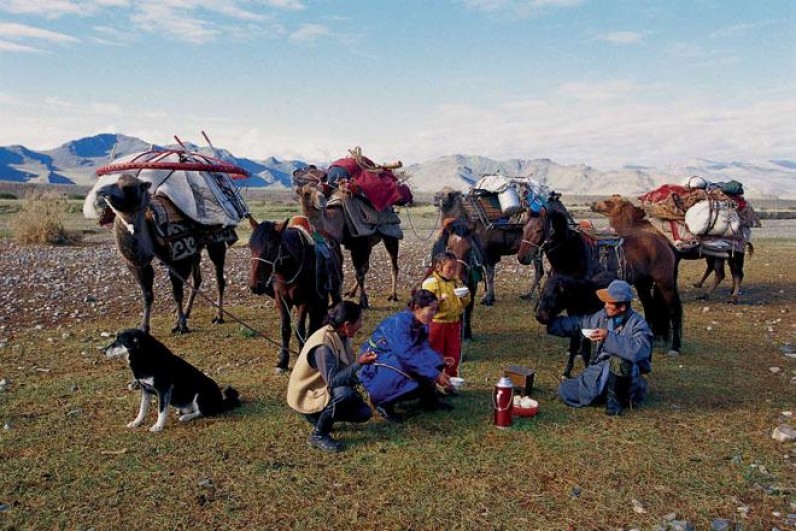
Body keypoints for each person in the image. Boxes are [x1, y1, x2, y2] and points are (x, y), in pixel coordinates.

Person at [546, 280, 652, 416]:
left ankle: (615, 403)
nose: (605, 306)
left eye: (610, 303)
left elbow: (640, 350)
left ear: (622, 307)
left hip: (627, 378)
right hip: (600, 370)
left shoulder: (638, 324)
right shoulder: (603, 317)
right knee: (565, 389)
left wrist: (609, 337)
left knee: (619, 361)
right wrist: (552, 323)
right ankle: (600, 393)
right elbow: (581, 324)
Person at [286, 301, 377, 453]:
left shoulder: (341, 335)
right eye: (359, 321)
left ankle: (321, 418)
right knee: (344, 394)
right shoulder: (323, 346)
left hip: (322, 388)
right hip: (307, 394)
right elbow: (333, 381)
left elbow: (342, 368)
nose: (361, 325)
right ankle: (318, 434)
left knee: (363, 413)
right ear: (347, 324)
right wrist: (359, 363)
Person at [357, 289, 454, 422]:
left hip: (396, 357)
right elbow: (406, 355)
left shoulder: (421, 324)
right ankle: (383, 402)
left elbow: (423, 347)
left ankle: (429, 400)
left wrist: (439, 359)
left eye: (435, 310)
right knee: (404, 365)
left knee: (431, 360)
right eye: (431, 309)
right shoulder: (399, 323)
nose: (434, 314)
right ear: (417, 308)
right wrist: (436, 375)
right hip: (376, 363)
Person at [421, 251, 471, 378]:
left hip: (454, 323)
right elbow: (424, 304)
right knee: (435, 351)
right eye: (450, 268)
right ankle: (434, 379)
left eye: (455, 268)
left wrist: (465, 296)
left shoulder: (456, 282)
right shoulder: (431, 283)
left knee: (453, 352)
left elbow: (465, 303)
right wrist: (437, 302)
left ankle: (451, 379)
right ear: (438, 267)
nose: (453, 271)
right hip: (437, 324)